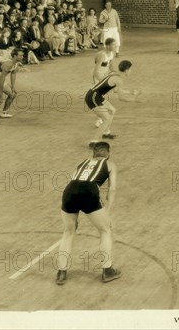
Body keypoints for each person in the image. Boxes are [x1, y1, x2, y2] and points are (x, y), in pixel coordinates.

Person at [56, 141, 121, 285]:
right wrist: (107, 212)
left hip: (69, 191)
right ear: (108, 154)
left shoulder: (83, 162)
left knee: (68, 232)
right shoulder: (110, 165)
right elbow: (112, 189)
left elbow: (76, 180)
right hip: (89, 191)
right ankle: (107, 270)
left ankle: (61, 272)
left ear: (93, 153)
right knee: (105, 230)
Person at [85, 60, 139, 140]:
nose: (131, 71)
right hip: (93, 97)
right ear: (126, 70)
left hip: (96, 95)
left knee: (112, 110)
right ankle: (94, 141)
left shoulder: (114, 74)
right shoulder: (119, 80)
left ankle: (106, 133)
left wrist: (130, 92)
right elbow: (121, 98)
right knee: (106, 119)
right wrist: (134, 100)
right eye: (130, 69)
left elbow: (116, 90)